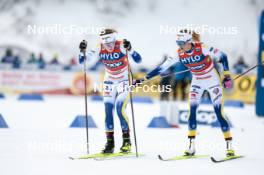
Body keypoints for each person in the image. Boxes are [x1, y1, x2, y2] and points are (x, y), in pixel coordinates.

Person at [134, 29, 235, 157]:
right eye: (178, 43)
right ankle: (191, 147)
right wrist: (142, 79)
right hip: (197, 81)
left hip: (212, 80)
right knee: (191, 111)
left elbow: (223, 56)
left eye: (182, 43)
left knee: (218, 112)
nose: (180, 46)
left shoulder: (202, 47)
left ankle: (229, 147)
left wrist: (226, 75)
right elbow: (161, 68)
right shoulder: (179, 53)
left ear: (189, 41)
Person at [79, 28, 142, 154]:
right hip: (109, 80)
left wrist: (130, 49)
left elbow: (138, 60)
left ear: (114, 40)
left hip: (124, 80)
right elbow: (82, 61)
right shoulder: (99, 47)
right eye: (105, 44)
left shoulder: (121, 45)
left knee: (119, 108)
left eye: (110, 43)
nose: (108, 46)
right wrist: (82, 52)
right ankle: (110, 143)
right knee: (108, 110)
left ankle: (126, 141)